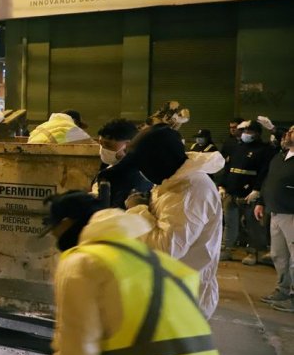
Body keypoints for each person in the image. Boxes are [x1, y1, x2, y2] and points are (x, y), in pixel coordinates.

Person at [43, 190, 230, 355]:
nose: (55, 239)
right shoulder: (154, 261)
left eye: (54, 231)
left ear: (66, 224)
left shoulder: (83, 263)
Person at [123, 124, 225, 319]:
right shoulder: (175, 179)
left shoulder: (189, 190)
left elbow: (165, 248)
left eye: (143, 165)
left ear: (158, 161)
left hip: (181, 302)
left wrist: (137, 210)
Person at [219, 119, 275, 264]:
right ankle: (227, 249)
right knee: (230, 223)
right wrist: (222, 185)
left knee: (253, 225)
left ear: (257, 134)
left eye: (249, 132)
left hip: (250, 194)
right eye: (244, 131)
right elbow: (228, 168)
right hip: (231, 192)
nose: (245, 134)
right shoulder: (236, 147)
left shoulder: (264, 150)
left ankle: (253, 253)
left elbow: (264, 172)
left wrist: (257, 190)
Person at [255, 125, 294, 313]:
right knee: (279, 255)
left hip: (292, 214)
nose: (287, 134)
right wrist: (261, 201)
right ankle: (282, 290)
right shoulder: (280, 157)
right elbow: (268, 181)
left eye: (292, 131)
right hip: (276, 213)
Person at [93, 118, 152, 209]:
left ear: (128, 145)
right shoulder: (108, 168)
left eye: (108, 145)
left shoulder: (137, 176)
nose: (103, 149)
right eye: (101, 144)